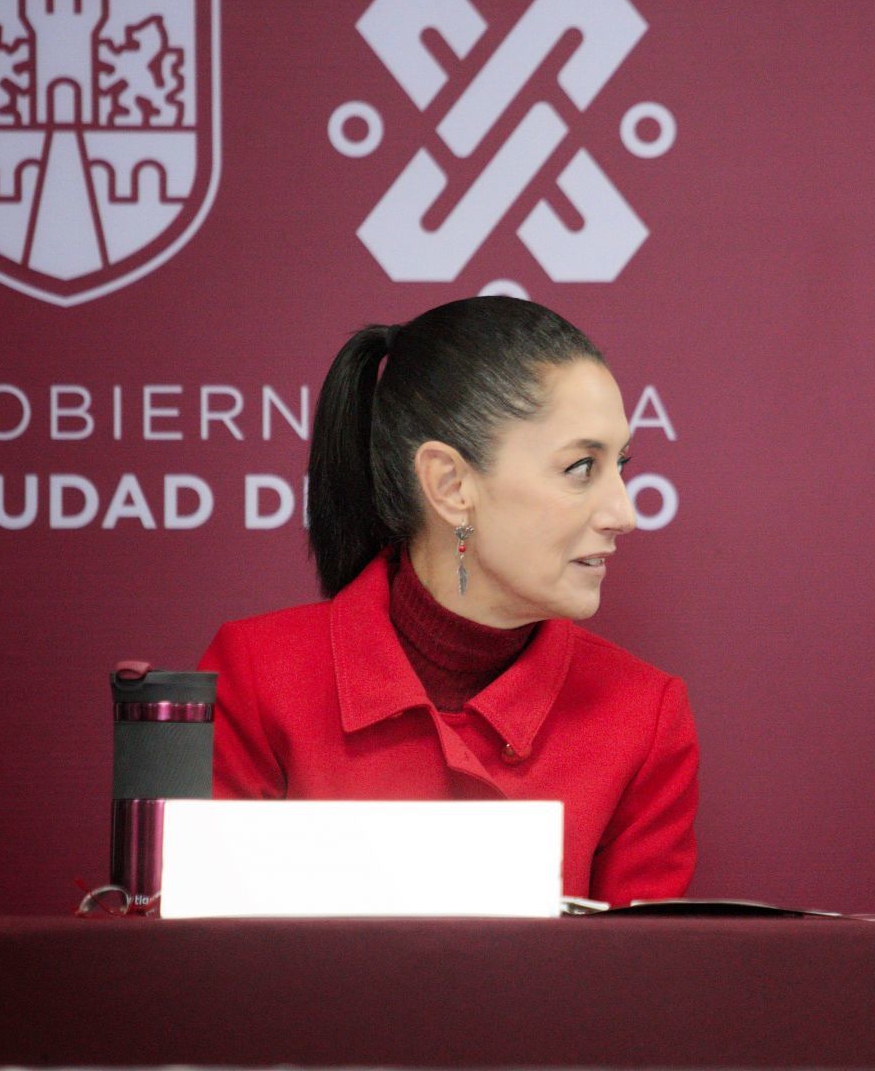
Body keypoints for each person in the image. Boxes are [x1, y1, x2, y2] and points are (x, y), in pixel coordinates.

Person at [199, 297, 697, 904]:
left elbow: (646, 982)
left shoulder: (644, 717)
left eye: (619, 465)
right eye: (580, 468)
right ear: (450, 485)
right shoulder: (255, 677)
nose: (624, 513)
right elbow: (198, 967)